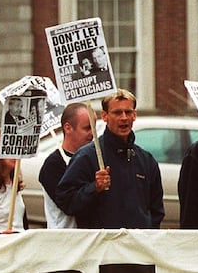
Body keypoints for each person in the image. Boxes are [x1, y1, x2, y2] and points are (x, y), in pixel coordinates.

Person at [55, 89, 164, 229]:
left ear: (134, 115)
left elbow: (156, 209)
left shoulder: (146, 160)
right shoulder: (88, 156)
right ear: (105, 116)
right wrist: (94, 187)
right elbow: (65, 200)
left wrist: (148, 231)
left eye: (128, 112)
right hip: (103, 244)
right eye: (117, 113)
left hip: (137, 244)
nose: (124, 118)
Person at [38, 102, 93, 229]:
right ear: (68, 128)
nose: (92, 134)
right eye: (87, 128)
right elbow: (70, 205)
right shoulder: (53, 165)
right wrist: (95, 187)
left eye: (94, 128)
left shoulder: (94, 157)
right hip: (65, 240)